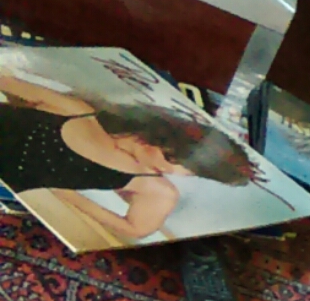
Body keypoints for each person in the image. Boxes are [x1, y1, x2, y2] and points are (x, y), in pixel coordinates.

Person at [0, 75, 257, 241]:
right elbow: (8, 83)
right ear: (163, 138)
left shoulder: (154, 186)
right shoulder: (79, 110)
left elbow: (137, 229)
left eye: (191, 171)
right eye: (173, 159)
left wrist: (68, 196)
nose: (171, 170)